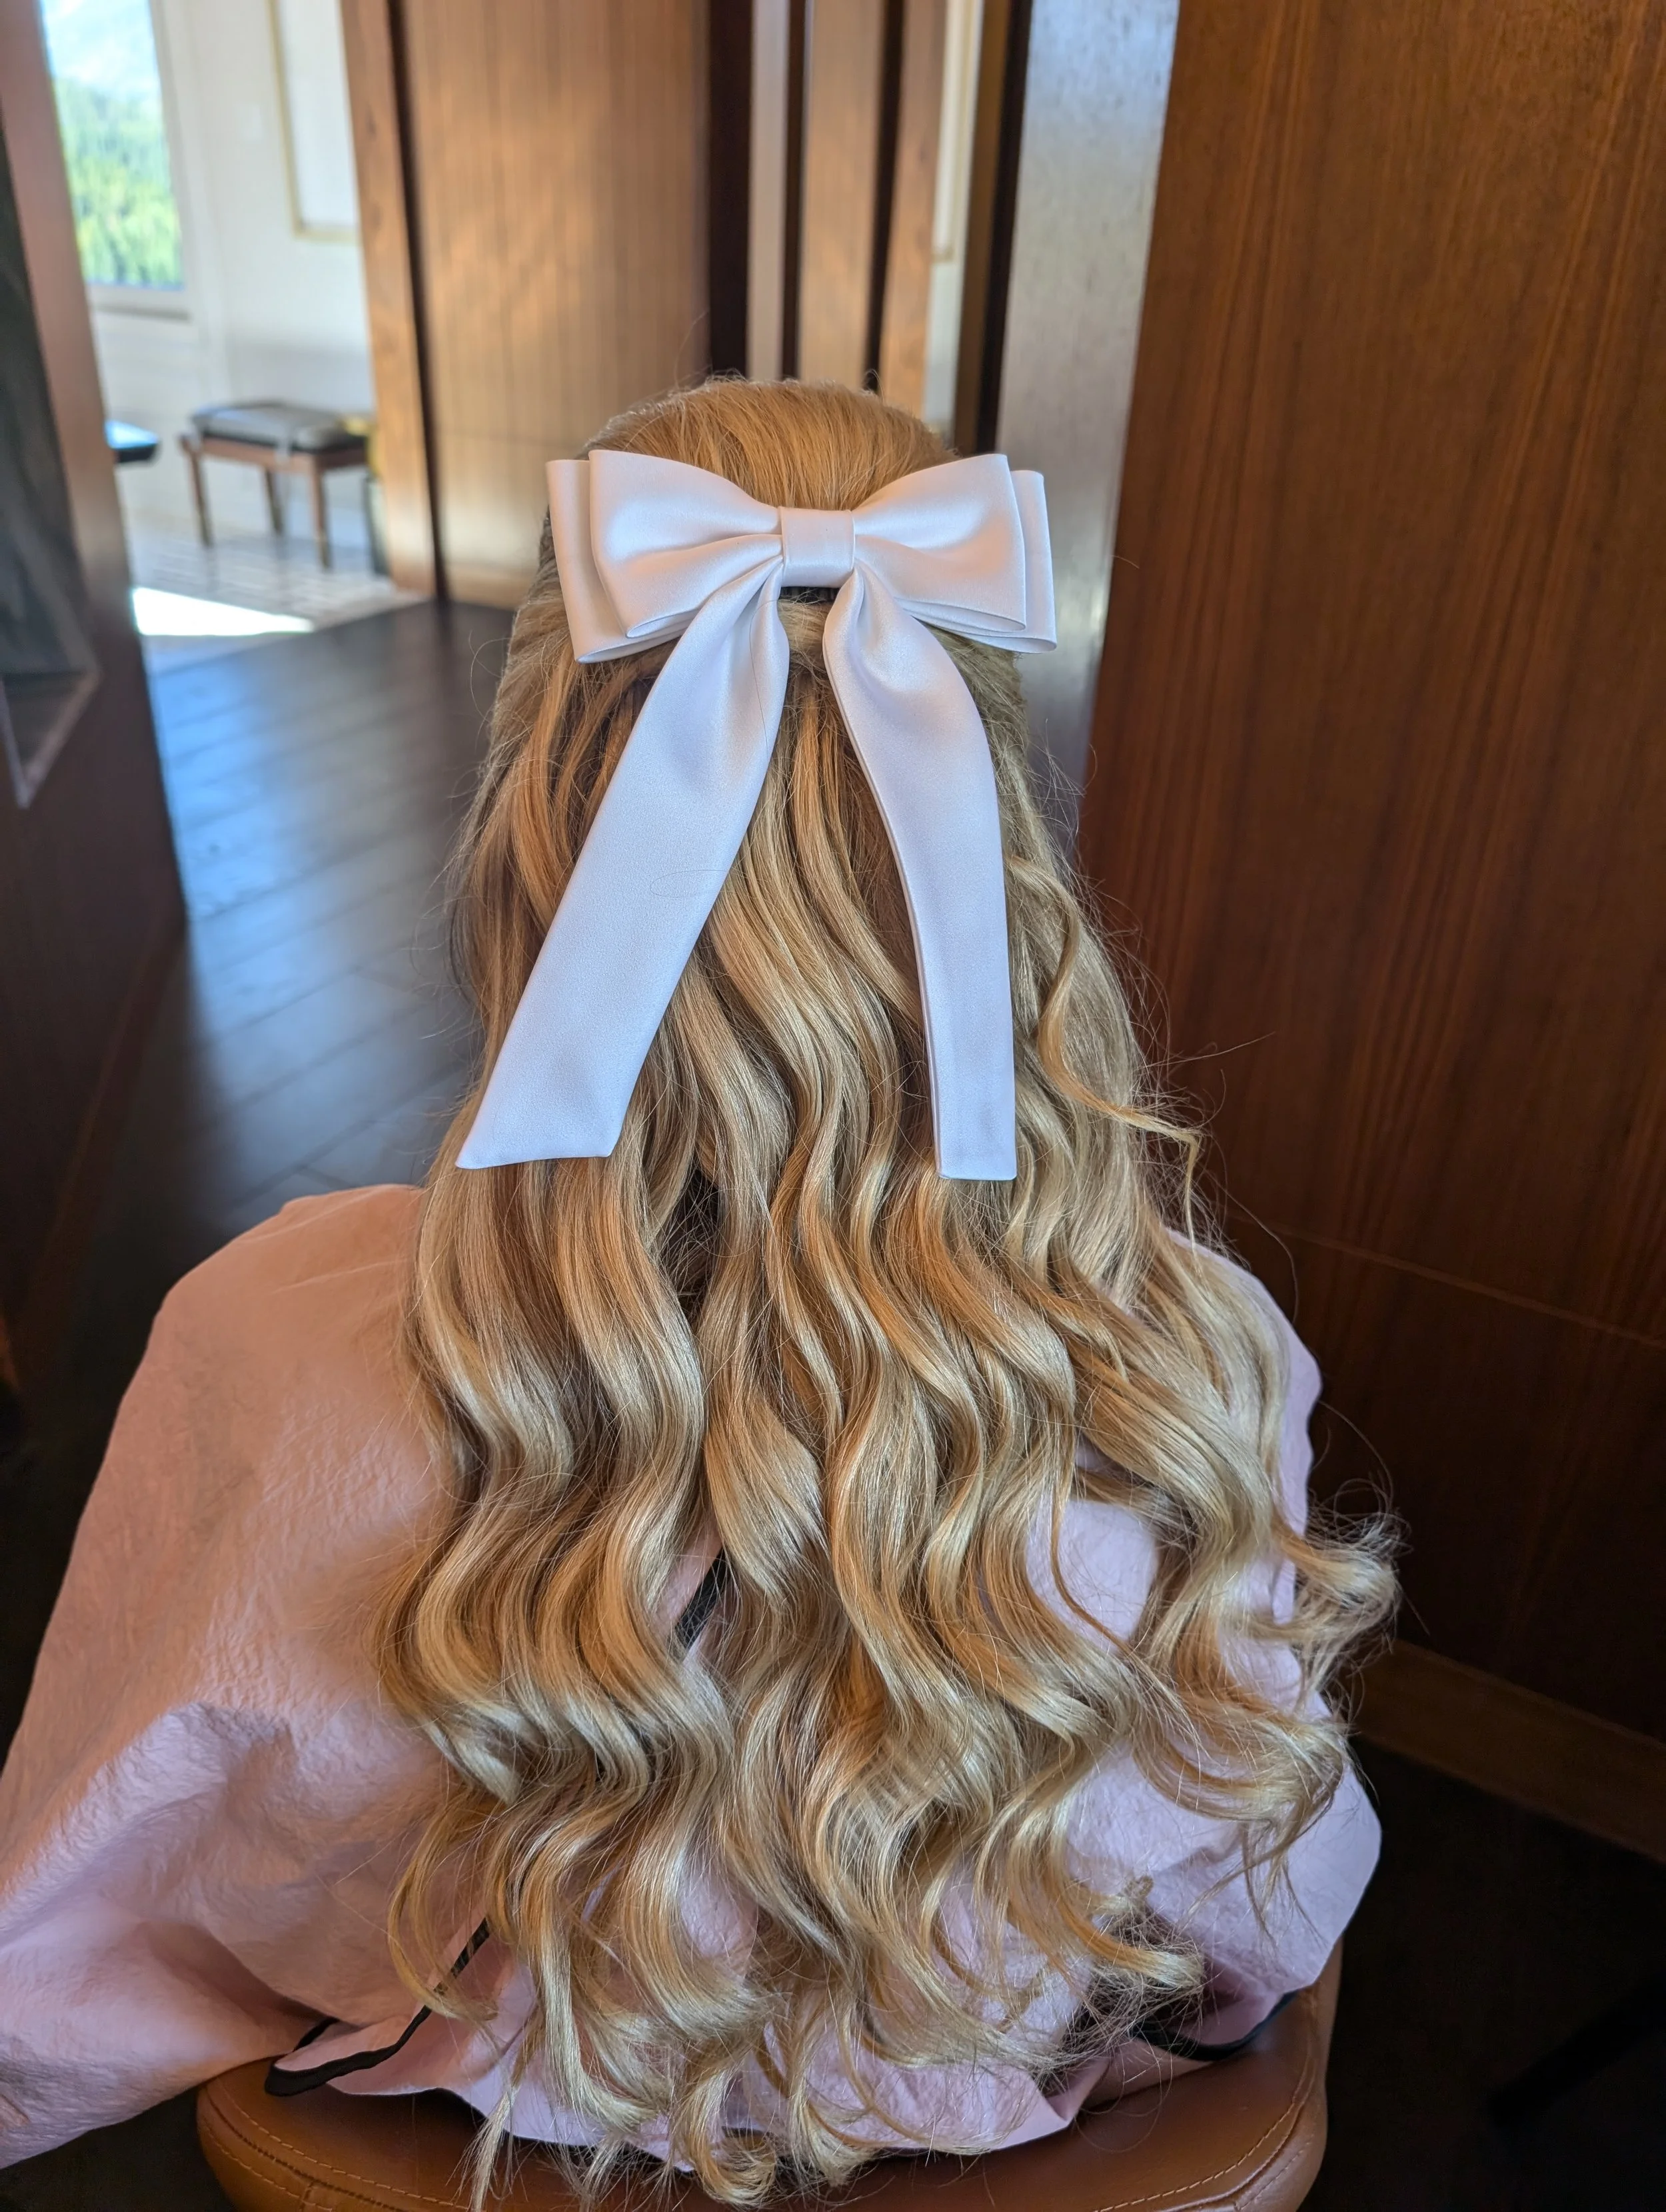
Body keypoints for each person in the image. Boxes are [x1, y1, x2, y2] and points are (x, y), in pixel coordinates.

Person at [0, 380, 1393, 2203]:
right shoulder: (1192, 1360)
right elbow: (1239, 1932)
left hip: (471, 2125)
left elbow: (106, 1897)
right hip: (992, 2104)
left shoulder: (264, 1340)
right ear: (998, 842)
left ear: (524, 830)